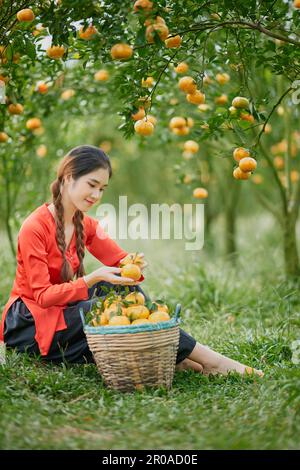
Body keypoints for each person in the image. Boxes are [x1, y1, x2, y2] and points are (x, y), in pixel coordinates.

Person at [0, 145, 263, 377]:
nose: (96, 195)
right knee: (103, 307)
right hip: (30, 324)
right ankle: (211, 361)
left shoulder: (86, 224)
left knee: (124, 291)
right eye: (92, 185)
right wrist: (92, 278)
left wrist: (133, 262)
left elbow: (119, 259)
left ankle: (172, 354)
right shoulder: (34, 227)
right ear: (69, 178)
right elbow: (43, 296)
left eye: (102, 189)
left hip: (60, 311)